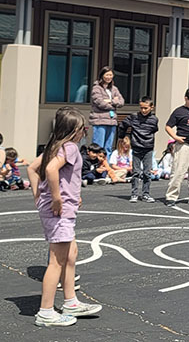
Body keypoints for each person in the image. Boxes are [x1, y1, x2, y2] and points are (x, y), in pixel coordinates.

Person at [25, 107, 103, 326]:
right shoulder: (69, 148)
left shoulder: (54, 146)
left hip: (60, 210)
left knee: (71, 254)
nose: (84, 132)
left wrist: (39, 195)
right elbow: (50, 170)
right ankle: (46, 312)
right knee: (57, 261)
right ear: (73, 131)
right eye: (82, 128)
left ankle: (70, 302)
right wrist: (57, 198)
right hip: (60, 212)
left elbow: (32, 169)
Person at [122, 97, 158, 202]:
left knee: (147, 172)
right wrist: (121, 137)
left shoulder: (154, 119)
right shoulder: (133, 117)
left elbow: (154, 129)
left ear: (151, 107)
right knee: (136, 172)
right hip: (136, 147)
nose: (143, 110)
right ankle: (134, 194)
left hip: (148, 148)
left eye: (146, 108)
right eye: (141, 108)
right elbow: (123, 125)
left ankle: (146, 194)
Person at [89, 66, 124, 157]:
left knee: (108, 147)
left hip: (112, 120)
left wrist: (110, 101)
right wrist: (114, 102)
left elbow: (121, 102)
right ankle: (96, 165)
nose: (109, 77)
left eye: (111, 75)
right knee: (98, 146)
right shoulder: (96, 88)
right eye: (107, 75)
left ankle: (106, 167)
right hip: (99, 120)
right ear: (102, 75)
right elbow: (100, 103)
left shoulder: (114, 89)